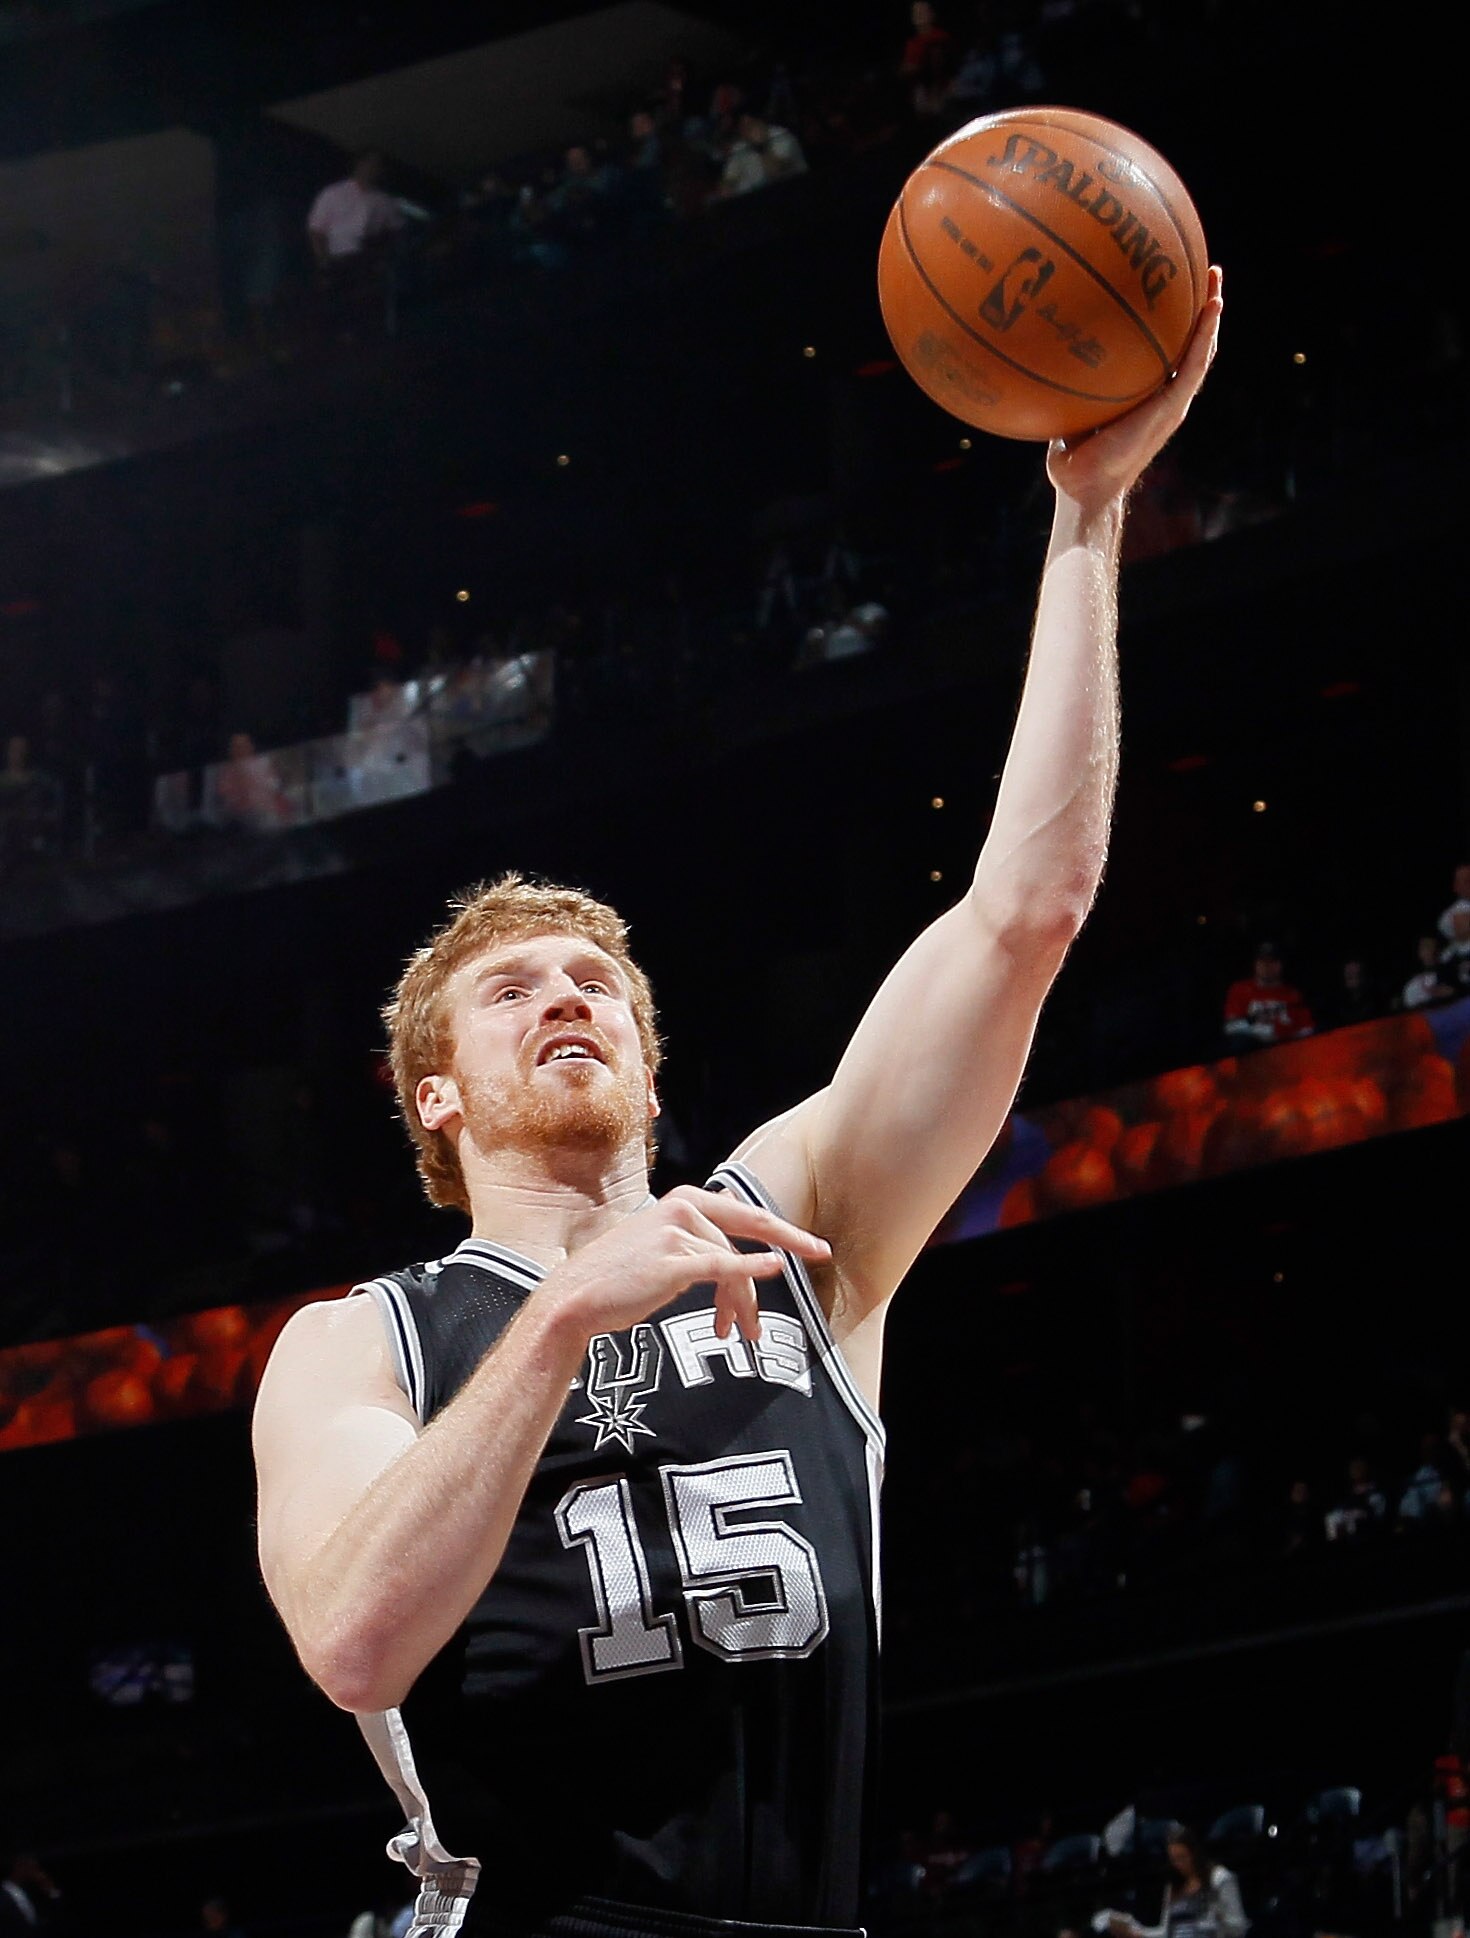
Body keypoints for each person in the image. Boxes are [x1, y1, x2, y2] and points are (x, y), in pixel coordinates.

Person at [251, 275, 1224, 1938]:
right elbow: (354, 1639)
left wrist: (1087, 521)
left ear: (646, 1049)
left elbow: (1025, 912)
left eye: (598, 982)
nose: (568, 994)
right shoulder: (366, 1341)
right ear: (438, 1096)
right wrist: (559, 1315)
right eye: (513, 988)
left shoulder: (800, 1231)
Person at [1106, 1825, 1248, 1938]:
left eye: (1182, 1857)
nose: (1178, 1864)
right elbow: (1167, 1932)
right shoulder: (1174, 1886)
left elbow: (1238, 1927)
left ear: (1195, 1853)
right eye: (1174, 1859)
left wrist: (1215, 1920)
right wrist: (1137, 1934)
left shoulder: (1219, 1879)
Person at [1222, 942, 1314, 1050]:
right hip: (1252, 1053)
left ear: (1280, 965)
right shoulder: (1240, 989)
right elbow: (1231, 1027)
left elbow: (1307, 1030)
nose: (1266, 966)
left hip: (1287, 1052)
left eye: (1272, 962)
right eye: (1262, 961)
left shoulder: (1293, 995)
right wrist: (1266, 1032)